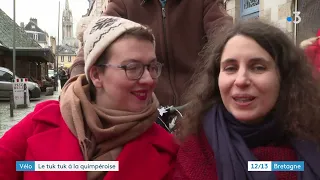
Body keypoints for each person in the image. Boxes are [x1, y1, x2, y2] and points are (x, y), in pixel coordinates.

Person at [0, 16, 178, 180]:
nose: (148, 79)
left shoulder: (168, 149)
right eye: (132, 68)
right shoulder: (40, 123)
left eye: (152, 67)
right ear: (96, 75)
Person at [173, 20, 320, 180]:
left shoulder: (311, 140)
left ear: (283, 77)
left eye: (258, 67)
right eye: (231, 68)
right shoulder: (195, 149)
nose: (241, 80)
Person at [69, 0, 233, 107]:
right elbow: (96, 39)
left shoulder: (205, 2)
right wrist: (76, 81)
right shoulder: (124, 3)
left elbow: (227, 37)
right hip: (145, 108)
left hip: (198, 106)